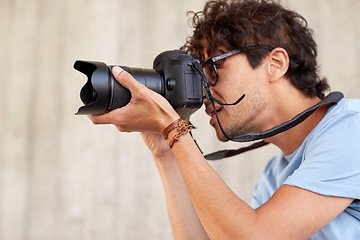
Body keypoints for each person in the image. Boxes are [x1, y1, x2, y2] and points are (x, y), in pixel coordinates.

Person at [88, 0, 360, 239]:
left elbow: (254, 235)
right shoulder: (276, 175)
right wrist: (164, 151)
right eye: (197, 74)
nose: (203, 90)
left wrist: (175, 129)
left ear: (275, 63)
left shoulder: (351, 130)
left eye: (214, 66)